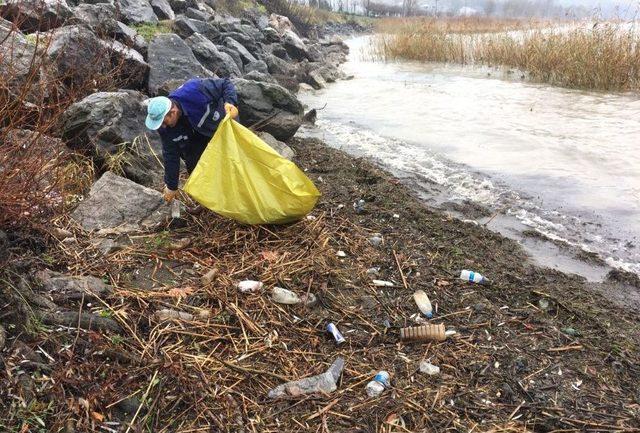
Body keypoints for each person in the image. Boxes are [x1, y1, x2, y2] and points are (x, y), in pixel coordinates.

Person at [145, 77, 239, 203]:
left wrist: (230, 102)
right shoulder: (165, 129)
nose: (163, 126)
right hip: (195, 139)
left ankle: (237, 192)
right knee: (196, 168)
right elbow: (170, 155)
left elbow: (225, 84)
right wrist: (171, 186)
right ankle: (211, 201)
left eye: (163, 122)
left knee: (234, 161)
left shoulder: (194, 91)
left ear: (173, 111)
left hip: (220, 124)